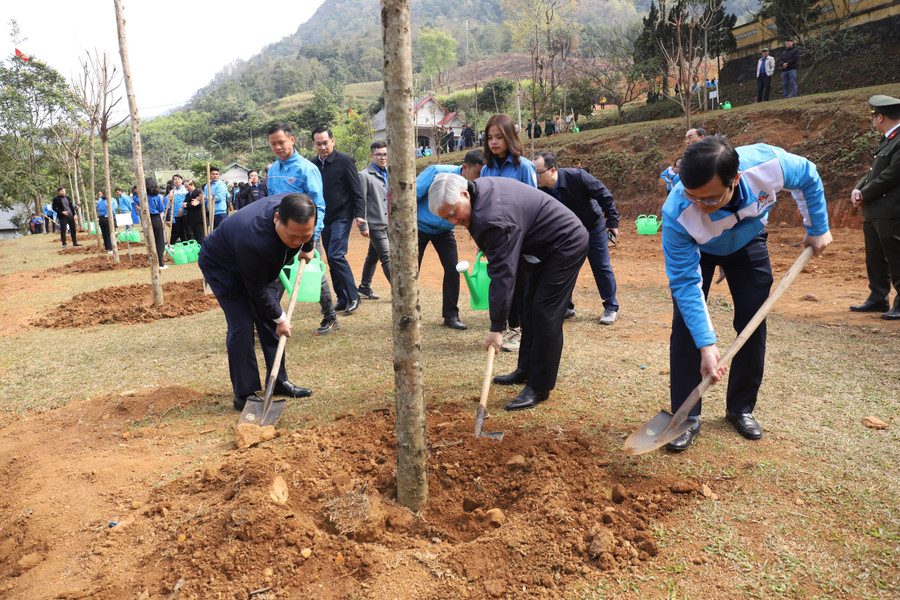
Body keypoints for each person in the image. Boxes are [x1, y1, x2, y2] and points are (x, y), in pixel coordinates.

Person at [661, 135, 832, 452]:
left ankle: (740, 408)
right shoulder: (677, 213)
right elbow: (685, 283)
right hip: (703, 248)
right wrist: (707, 343)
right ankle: (685, 417)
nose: (700, 206)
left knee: (753, 320)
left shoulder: (767, 165)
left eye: (710, 199)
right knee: (686, 328)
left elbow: (808, 175)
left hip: (749, 241)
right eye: (691, 196)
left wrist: (817, 226)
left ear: (735, 179)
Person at [429, 173, 588, 411]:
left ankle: (539, 386)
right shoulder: (476, 194)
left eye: (453, 213)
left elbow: (502, 275)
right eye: (446, 218)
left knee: (545, 314)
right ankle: (525, 369)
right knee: (529, 306)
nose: (452, 221)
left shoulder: (494, 217)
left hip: (565, 243)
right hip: (537, 247)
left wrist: (496, 328)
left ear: (464, 194)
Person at [198, 193, 318, 411]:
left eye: (304, 236)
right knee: (242, 324)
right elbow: (256, 290)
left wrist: (308, 246)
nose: (297, 242)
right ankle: (244, 394)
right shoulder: (255, 237)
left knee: (271, 322)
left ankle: (278, 381)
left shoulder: (301, 210)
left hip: (261, 267)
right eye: (293, 237)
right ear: (276, 219)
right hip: (223, 266)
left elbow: (308, 230)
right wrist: (281, 318)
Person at [534, 151, 620, 325]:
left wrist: (612, 221)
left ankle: (610, 307)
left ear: (552, 170)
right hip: (567, 234)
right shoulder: (539, 189)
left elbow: (604, 194)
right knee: (563, 267)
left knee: (601, 266)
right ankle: (567, 307)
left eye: (538, 173)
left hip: (592, 227)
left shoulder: (578, 177)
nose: (535, 177)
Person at [265, 123, 332, 335]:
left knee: (312, 273)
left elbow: (318, 205)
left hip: (305, 234)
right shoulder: (273, 170)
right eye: (273, 144)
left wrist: (312, 237)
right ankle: (269, 320)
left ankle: (330, 316)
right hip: (280, 234)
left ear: (292, 141)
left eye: (281, 142)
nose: (277, 147)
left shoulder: (307, 169)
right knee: (277, 275)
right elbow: (270, 203)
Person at [482, 113, 537, 351]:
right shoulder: (485, 170)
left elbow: (535, 201)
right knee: (503, 282)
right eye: (490, 138)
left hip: (522, 235)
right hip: (497, 238)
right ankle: (510, 327)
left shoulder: (524, 167)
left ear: (510, 138)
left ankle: (522, 330)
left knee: (523, 283)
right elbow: (483, 205)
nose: (494, 142)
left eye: (499, 137)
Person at [416, 149, 484, 331]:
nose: (479, 179)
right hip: (419, 228)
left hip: (445, 232)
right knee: (411, 271)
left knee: (453, 269)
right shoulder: (436, 172)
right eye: (477, 173)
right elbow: (411, 196)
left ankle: (451, 315)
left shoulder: (472, 188)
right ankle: (408, 314)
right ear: (464, 168)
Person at [849, 95, 900, 320]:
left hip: (892, 209)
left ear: (880, 117)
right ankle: (878, 297)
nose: (873, 121)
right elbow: (874, 171)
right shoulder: (889, 138)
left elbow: (892, 174)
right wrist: (858, 189)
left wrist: (865, 193)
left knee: (896, 256)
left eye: (874, 116)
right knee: (875, 256)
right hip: (876, 208)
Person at [312, 125, 366, 316]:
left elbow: (356, 190)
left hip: (343, 216)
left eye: (326, 143)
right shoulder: (312, 165)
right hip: (323, 218)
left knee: (336, 255)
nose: (323, 147)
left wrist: (359, 213)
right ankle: (342, 298)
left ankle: (353, 296)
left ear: (332, 141)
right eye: (318, 144)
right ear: (314, 145)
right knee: (331, 258)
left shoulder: (345, 161)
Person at [357, 140, 390, 300]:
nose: (382, 157)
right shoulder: (364, 176)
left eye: (385, 154)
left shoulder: (390, 172)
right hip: (376, 224)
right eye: (378, 155)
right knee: (387, 257)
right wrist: (363, 225)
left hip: (390, 223)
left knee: (373, 256)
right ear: (371, 156)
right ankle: (400, 291)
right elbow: (360, 201)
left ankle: (364, 287)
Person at [145, 178, 168, 269]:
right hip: (155, 218)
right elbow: (161, 209)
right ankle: (160, 263)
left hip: (146, 219)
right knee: (159, 241)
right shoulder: (157, 196)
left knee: (150, 241)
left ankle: (152, 261)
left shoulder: (143, 197)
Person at [167, 175, 187, 244]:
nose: (177, 181)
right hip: (176, 214)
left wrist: (183, 210)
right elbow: (170, 203)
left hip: (185, 213)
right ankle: (184, 246)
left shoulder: (185, 189)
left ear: (181, 180)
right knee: (180, 232)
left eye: (178, 179)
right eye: (175, 179)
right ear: (173, 181)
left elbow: (187, 201)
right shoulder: (172, 191)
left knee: (187, 232)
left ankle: (189, 247)